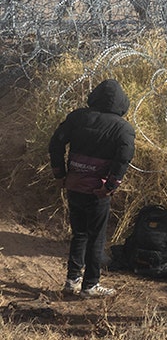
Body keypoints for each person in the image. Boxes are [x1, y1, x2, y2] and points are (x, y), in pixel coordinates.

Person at [47, 79, 136, 298]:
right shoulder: (123, 128)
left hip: (75, 184)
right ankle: (91, 284)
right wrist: (111, 185)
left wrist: (59, 174)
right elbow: (124, 158)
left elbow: (55, 143)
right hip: (98, 189)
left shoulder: (77, 117)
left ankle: (73, 279)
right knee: (96, 236)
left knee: (79, 233)